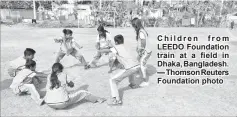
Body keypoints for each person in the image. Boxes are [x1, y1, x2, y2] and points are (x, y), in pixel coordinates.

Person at [107, 35, 141, 106]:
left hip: (131, 68)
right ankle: (133, 84)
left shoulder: (115, 48)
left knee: (113, 80)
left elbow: (112, 58)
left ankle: (116, 100)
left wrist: (110, 69)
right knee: (128, 69)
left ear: (116, 42)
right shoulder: (127, 46)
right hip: (138, 66)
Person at [131, 17, 152, 87]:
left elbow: (143, 42)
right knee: (138, 60)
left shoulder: (141, 32)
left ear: (136, 25)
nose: (133, 28)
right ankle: (139, 73)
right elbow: (141, 41)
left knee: (142, 64)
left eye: (133, 26)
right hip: (146, 50)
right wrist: (138, 47)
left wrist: (141, 51)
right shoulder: (142, 30)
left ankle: (146, 81)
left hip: (146, 51)